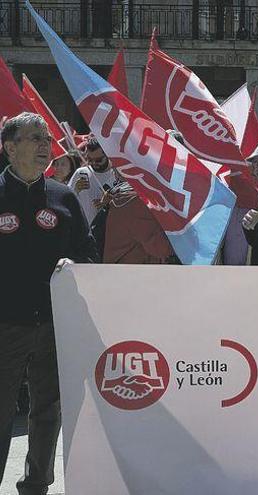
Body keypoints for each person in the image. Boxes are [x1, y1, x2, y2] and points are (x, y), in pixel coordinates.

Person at [0, 113, 97, 493]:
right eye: (35, 138)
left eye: (47, 139)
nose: (46, 146)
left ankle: (36, 484)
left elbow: (88, 254)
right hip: (5, 324)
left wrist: (75, 264)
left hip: (54, 325)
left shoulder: (64, 196)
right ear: (9, 147)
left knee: (47, 410)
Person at [68, 137, 117, 225]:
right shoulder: (81, 173)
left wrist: (110, 202)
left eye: (98, 160)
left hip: (109, 231)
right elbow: (66, 201)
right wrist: (75, 190)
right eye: (89, 160)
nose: (94, 163)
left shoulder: (118, 175)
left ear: (107, 155)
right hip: (85, 230)